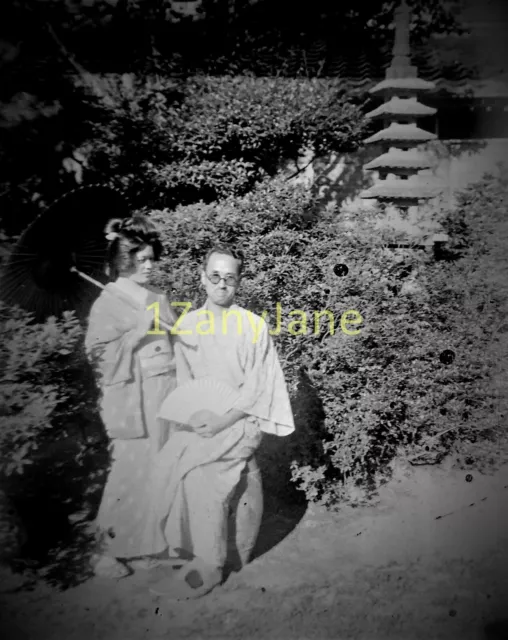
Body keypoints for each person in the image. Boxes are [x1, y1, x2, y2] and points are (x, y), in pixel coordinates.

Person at [141, 242, 295, 600]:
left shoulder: (252, 326)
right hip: (201, 423)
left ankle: (208, 565)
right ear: (202, 279)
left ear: (239, 282)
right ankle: (178, 549)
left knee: (201, 474)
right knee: (170, 460)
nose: (222, 284)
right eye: (215, 276)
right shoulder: (188, 324)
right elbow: (184, 387)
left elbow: (259, 389)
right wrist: (195, 417)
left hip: (241, 423)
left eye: (230, 278)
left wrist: (224, 419)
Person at [84, 215, 178, 579]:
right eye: (141, 261)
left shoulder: (158, 296)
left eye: (153, 259)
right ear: (124, 261)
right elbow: (96, 355)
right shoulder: (108, 302)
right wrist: (135, 335)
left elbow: (175, 340)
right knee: (130, 472)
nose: (149, 266)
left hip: (167, 391)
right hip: (134, 397)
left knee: (161, 471)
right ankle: (106, 551)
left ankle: (147, 546)